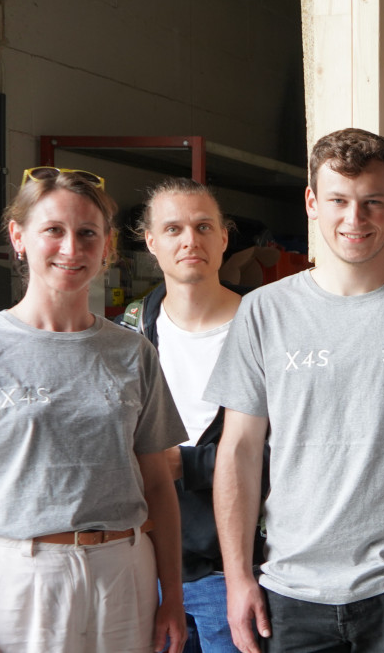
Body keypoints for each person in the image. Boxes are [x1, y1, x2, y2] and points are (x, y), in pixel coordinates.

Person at [208, 129, 384, 653]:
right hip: (290, 588)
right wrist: (238, 576)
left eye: (371, 203)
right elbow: (239, 450)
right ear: (313, 203)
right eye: (338, 200)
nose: (354, 219)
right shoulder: (264, 312)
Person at [0, 166, 188, 652]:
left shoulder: (132, 352)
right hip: (18, 576)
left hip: (124, 571)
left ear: (106, 245)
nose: (71, 249)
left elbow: (159, 485)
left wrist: (172, 597)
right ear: (18, 237)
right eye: (53, 230)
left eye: (87, 234)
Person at [131, 178, 246, 653]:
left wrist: (187, 464)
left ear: (224, 237)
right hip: (146, 570)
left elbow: (298, 444)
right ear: (151, 242)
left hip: (237, 574)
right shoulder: (128, 334)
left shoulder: (267, 326)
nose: (189, 240)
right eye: (173, 228)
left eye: (203, 227)